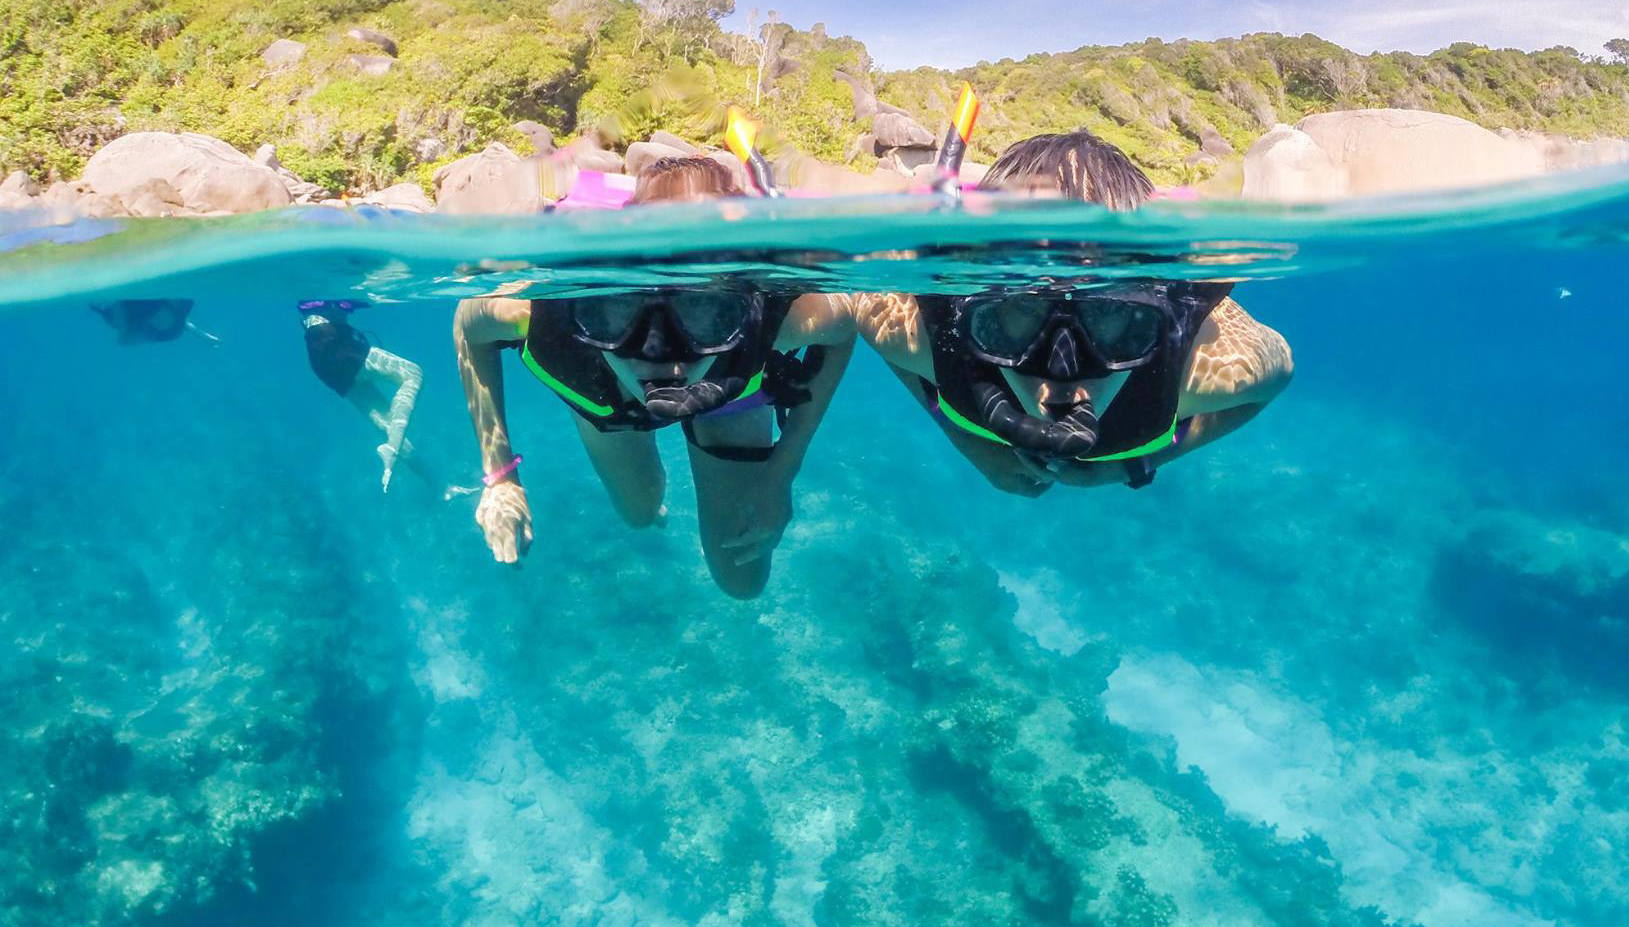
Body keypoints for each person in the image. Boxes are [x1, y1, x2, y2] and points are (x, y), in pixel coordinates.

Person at [453, 155, 854, 596]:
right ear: (582, 306)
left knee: (743, 579)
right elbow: (468, 325)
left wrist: (782, 472)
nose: (662, 356)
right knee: (639, 512)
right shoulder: (540, 313)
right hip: (603, 393)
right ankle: (651, 504)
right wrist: (500, 476)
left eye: (704, 314)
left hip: (728, 395)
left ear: (739, 309)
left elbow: (843, 328)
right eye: (616, 311)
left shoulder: (775, 318)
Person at [859, 131, 1292, 495]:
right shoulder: (922, 336)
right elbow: (868, 315)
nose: (1061, 370)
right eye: (1021, 311)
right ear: (978, 315)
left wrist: (1136, 463)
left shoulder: (1202, 371)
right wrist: (970, 444)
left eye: (1109, 317)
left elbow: (1277, 375)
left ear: (1150, 320)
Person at [299, 300, 425, 491]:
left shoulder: (313, 311)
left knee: (387, 424)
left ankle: (442, 487)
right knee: (413, 373)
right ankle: (393, 446)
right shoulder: (328, 297)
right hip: (333, 344)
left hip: (323, 363)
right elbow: (329, 305)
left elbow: (311, 311)